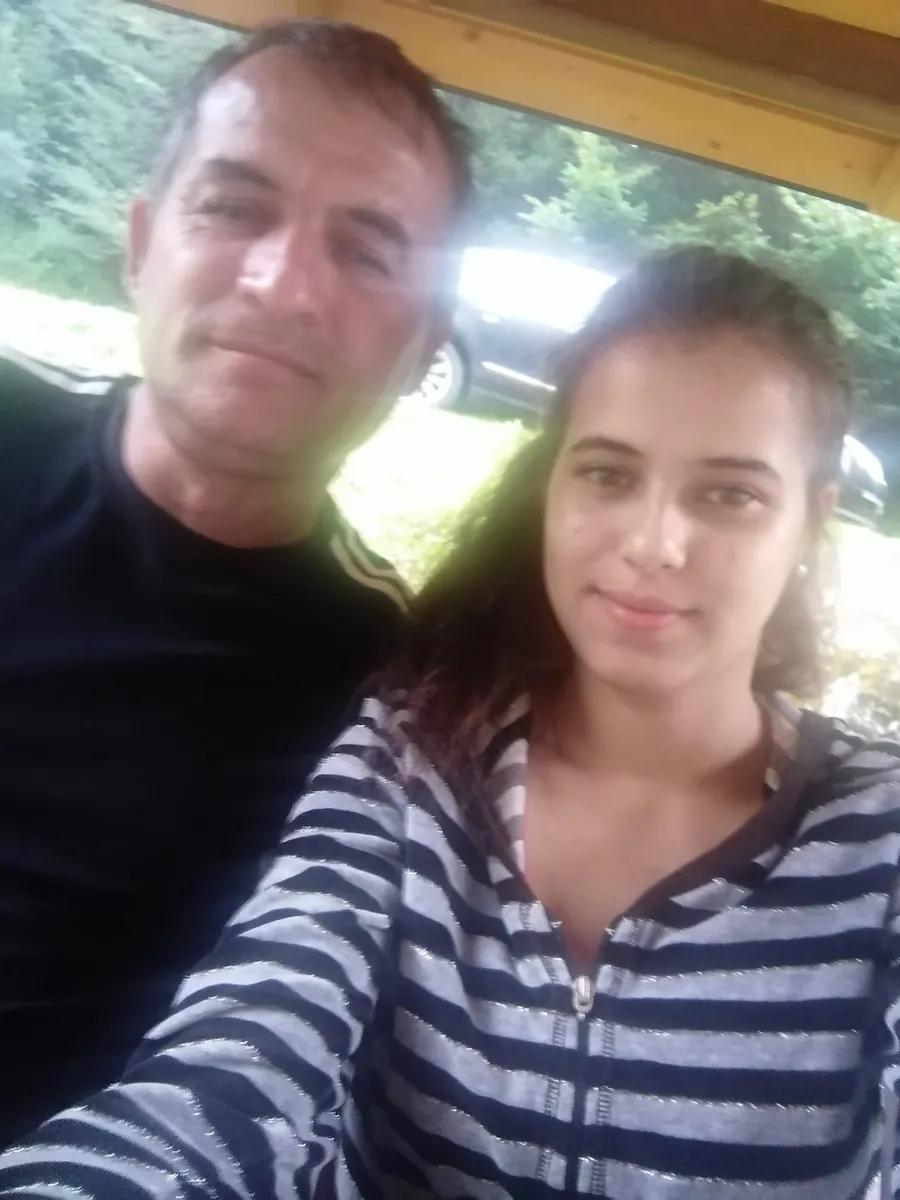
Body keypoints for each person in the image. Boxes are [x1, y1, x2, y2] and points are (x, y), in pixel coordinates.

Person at [3, 247, 898, 1199]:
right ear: (551, 486)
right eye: (608, 474)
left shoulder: (877, 837)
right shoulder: (412, 757)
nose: (654, 543)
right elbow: (243, 1052)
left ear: (809, 522)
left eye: (730, 494)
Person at [0, 19, 472, 1146]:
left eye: (365, 251)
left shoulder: (398, 697)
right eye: (234, 208)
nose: (282, 281)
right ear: (141, 243)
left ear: (421, 349)